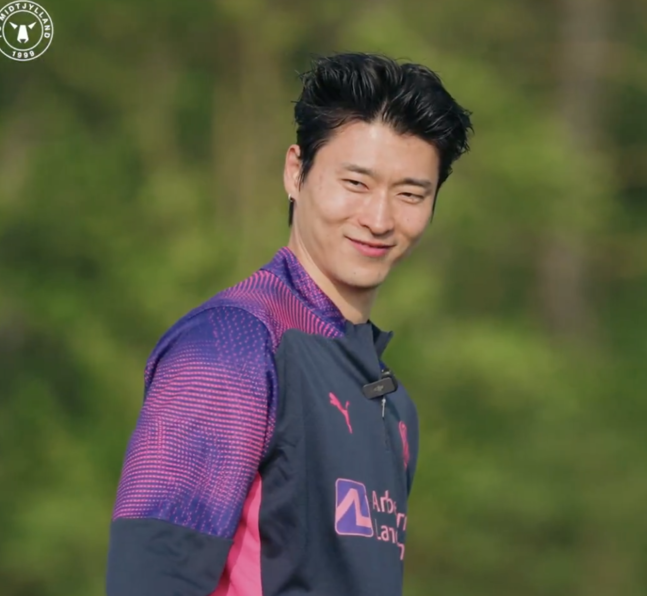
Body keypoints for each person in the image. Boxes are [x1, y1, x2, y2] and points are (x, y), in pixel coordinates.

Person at [106, 52, 472, 596]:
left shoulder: (393, 404)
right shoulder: (231, 346)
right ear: (295, 172)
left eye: (410, 194)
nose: (379, 219)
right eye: (356, 182)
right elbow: (151, 579)